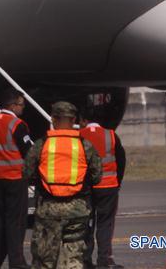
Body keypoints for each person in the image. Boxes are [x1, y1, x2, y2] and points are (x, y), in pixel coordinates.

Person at [24, 101, 102, 269]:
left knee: (44, 258)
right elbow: (97, 177)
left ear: (53, 119)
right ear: (74, 120)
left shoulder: (41, 144)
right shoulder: (85, 145)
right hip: (78, 209)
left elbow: (27, 174)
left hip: (48, 209)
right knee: (73, 258)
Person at [0, 89, 33, 269]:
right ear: (12, 105)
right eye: (21, 105)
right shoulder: (17, 125)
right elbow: (28, 151)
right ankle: (17, 261)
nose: (23, 108)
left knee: (0, 222)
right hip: (15, 177)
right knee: (16, 222)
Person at [79, 108, 126, 269]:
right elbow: (121, 160)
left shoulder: (79, 136)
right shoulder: (111, 135)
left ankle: (85, 260)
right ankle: (103, 260)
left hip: (86, 188)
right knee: (105, 223)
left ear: (84, 120)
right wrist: (117, 181)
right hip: (108, 186)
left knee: (86, 224)